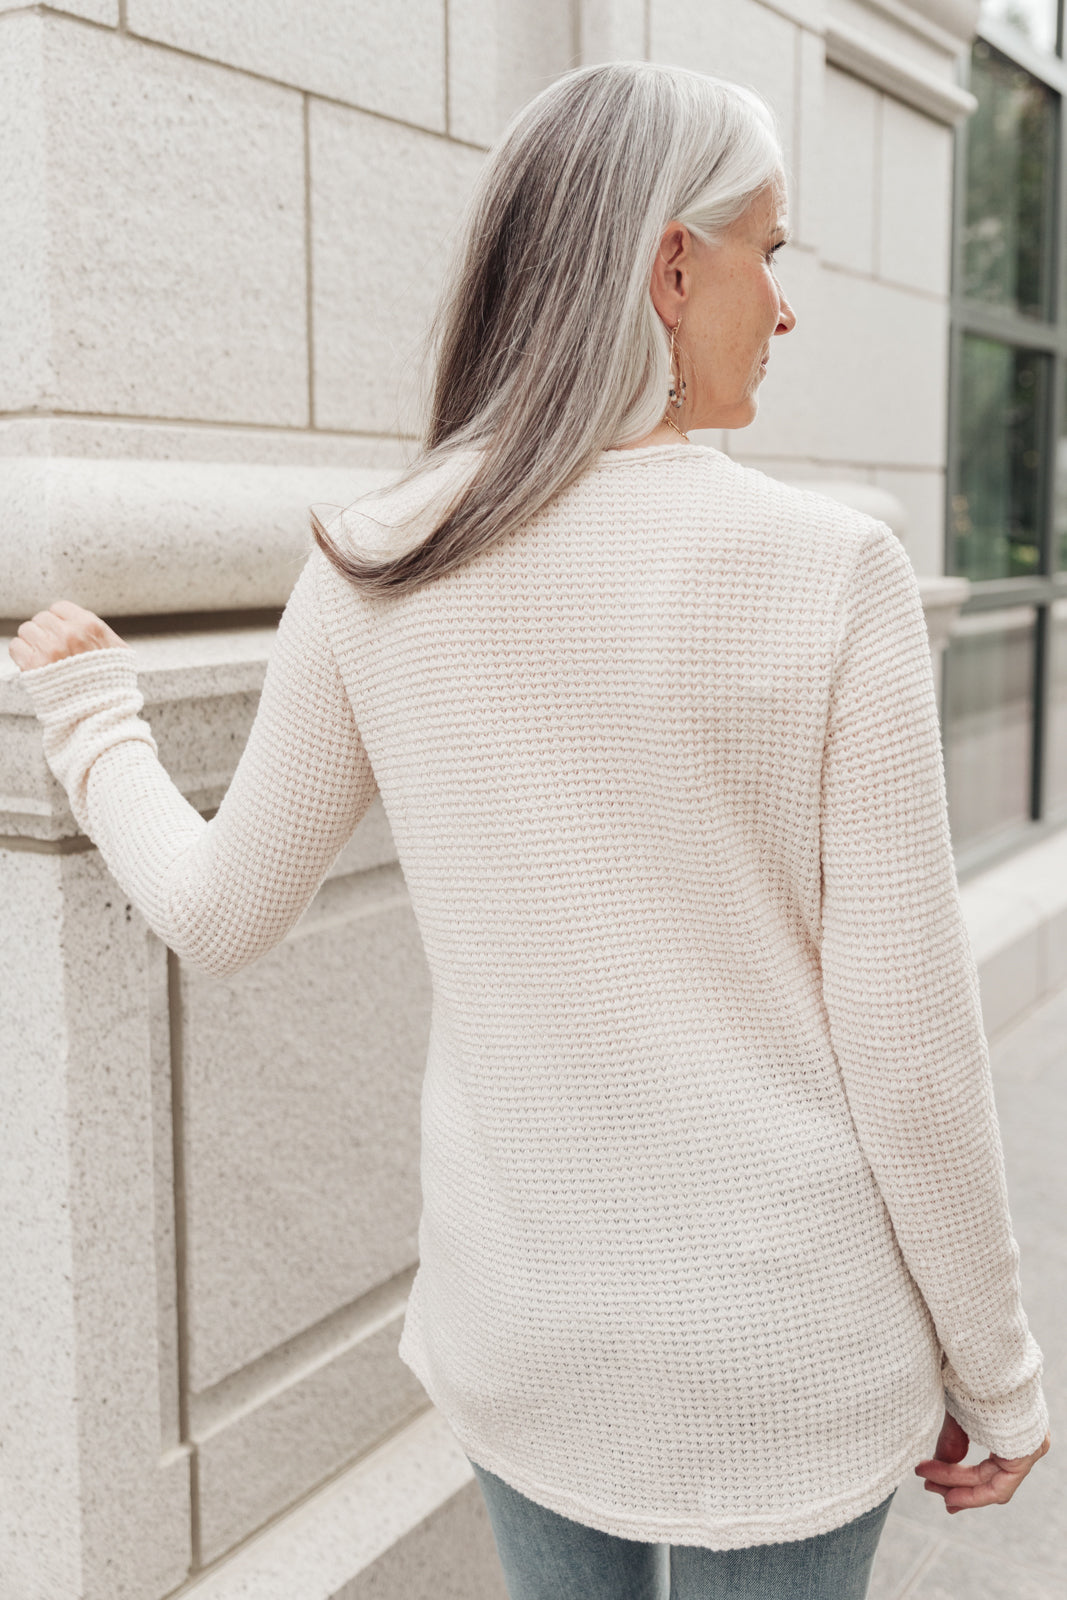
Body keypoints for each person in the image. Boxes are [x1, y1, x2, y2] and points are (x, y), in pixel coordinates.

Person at [10, 60, 1050, 1600]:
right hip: (786, 1347)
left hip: (528, 1327)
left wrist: (96, 724)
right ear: (671, 265)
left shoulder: (378, 562)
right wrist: (999, 1369)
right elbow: (910, 1044)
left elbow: (220, 912)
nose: (784, 308)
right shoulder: (830, 571)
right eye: (769, 250)